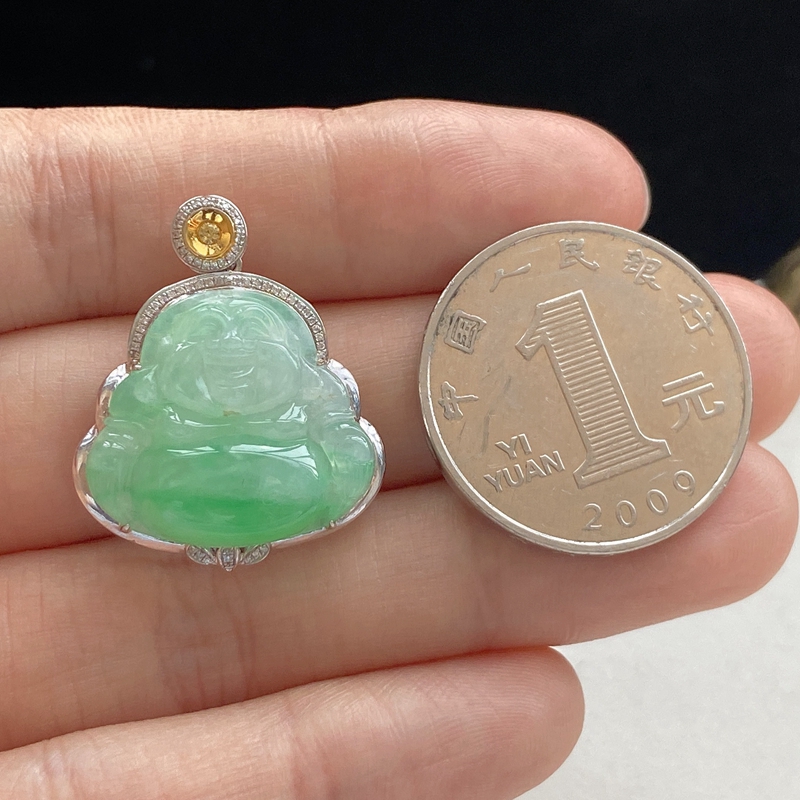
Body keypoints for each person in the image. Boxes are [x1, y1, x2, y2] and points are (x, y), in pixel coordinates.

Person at [0, 100, 797, 799]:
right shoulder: (143, 426)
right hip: (181, 479)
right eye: (207, 349)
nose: (233, 360)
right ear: (162, 365)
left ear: (296, 363)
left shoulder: (314, 423)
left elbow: (345, 461)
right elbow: (112, 466)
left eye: (254, 347)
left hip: (281, 480)